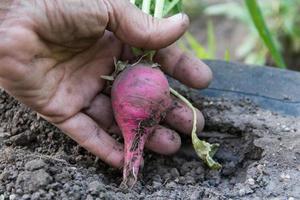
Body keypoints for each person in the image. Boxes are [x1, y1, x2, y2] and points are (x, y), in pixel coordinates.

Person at [0, 0, 212, 168]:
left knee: (139, 138)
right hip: (130, 75)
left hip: (135, 74)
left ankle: (132, 159)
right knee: (144, 136)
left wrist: (10, 14)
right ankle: (132, 160)